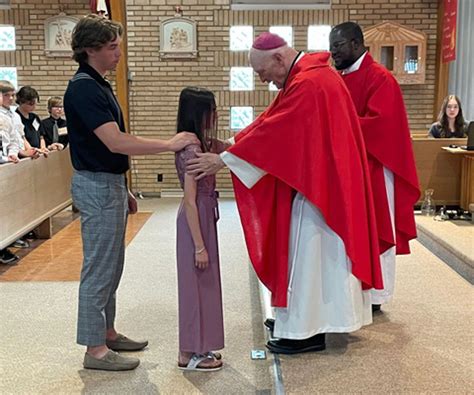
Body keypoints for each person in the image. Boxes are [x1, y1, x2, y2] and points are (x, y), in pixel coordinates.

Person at [187, 32, 383, 354]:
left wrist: (223, 160)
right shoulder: (308, 77)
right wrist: (234, 147)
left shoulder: (310, 82)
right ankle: (313, 321)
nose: (265, 81)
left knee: (312, 253)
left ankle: (309, 330)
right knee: (313, 256)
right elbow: (273, 123)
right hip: (322, 182)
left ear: (278, 58)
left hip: (323, 191)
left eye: (264, 73)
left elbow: (278, 132)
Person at [64, 14, 199, 371]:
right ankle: (94, 350)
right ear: (90, 50)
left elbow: (111, 148)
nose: (119, 52)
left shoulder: (100, 84)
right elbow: (115, 141)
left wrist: (123, 187)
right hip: (95, 184)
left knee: (112, 266)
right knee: (99, 267)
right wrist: (168, 144)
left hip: (107, 182)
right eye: (112, 47)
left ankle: (106, 332)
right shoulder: (82, 88)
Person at [329, 22, 420, 311]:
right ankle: (355, 288)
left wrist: (336, 126)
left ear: (356, 43)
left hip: (376, 168)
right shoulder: (340, 77)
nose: (333, 52)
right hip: (350, 167)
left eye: (338, 46)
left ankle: (377, 296)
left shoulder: (381, 78)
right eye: (331, 46)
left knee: (378, 228)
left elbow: (381, 126)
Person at [175, 87, 224, 371]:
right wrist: (199, 245)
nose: (215, 114)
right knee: (194, 284)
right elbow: (190, 200)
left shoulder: (204, 143)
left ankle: (200, 346)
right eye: (211, 109)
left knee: (204, 283)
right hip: (196, 219)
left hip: (206, 215)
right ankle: (187, 353)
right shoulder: (192, 148)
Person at [16, 86, 47, 152]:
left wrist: (43, 148)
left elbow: (41, 136)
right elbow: (21, 137)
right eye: (31, 104)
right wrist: (31, 150)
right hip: (26, 153)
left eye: (35, 104)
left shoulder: (35, 117)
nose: (34, 107)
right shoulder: (15, 117)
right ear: (21, 101)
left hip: (38, 152)